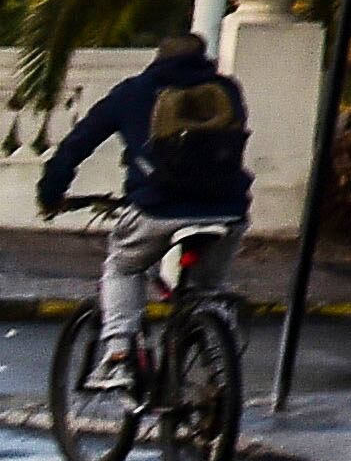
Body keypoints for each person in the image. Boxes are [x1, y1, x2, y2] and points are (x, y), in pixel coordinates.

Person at [36, 28, 253, 382]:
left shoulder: (133, 93)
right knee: (206, 291)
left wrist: (50, 194)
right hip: (227, 211)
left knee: (123, 267)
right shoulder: (226, 92)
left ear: (158, 59)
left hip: (158, 208)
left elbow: (75, 146)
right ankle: (220, 361)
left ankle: (119, 352)